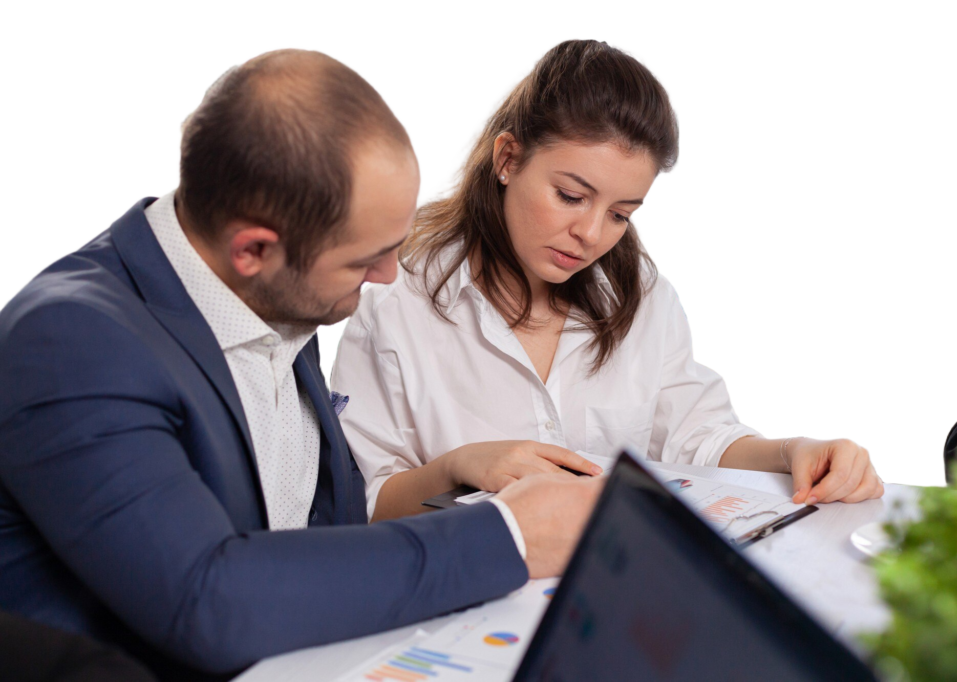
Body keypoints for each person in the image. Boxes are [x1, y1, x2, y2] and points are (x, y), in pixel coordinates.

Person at [0, 47, 601, 681]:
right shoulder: (70, 341)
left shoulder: (275, 291)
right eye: (363, 259)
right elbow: (209, 603)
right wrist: (506, 539)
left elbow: (315, 529)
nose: (386, 276)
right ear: (254, 249)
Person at [331, 38, 885, 524]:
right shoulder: (392, 296)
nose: (591, 234)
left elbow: (696, 436)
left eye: (622, 213)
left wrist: (794, 452)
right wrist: (457, 468)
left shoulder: (639, 292)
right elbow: (365, 501)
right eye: (571, 196)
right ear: (507, 158)